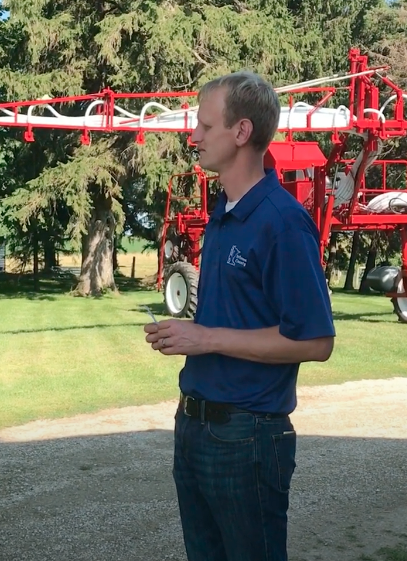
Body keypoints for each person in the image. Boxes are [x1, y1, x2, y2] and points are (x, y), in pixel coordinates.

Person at [143, 71, 336, 561]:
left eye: (206, 127)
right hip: (195, 425)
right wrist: (188, 338)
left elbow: (316, 342)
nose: (194, 136)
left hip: (247, 438)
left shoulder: (283, 222)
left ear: (242, 132)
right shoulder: (222, 214)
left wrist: (205, 339)